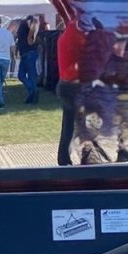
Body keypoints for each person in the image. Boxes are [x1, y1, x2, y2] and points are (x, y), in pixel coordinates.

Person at [55, 16, 85, 165]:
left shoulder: (63, 37)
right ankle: (88, 156)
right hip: (75, 86)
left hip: (64, 84)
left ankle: (63, 158)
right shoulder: (77, 37)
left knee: (68, 125)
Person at [16, 15, 40, 103]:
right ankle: (32, 92)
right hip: (28, 53)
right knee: (27, 75)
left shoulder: (25, 23)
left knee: (25, 75)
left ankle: (33, 92)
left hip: (28, 53)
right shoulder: (26, 24)